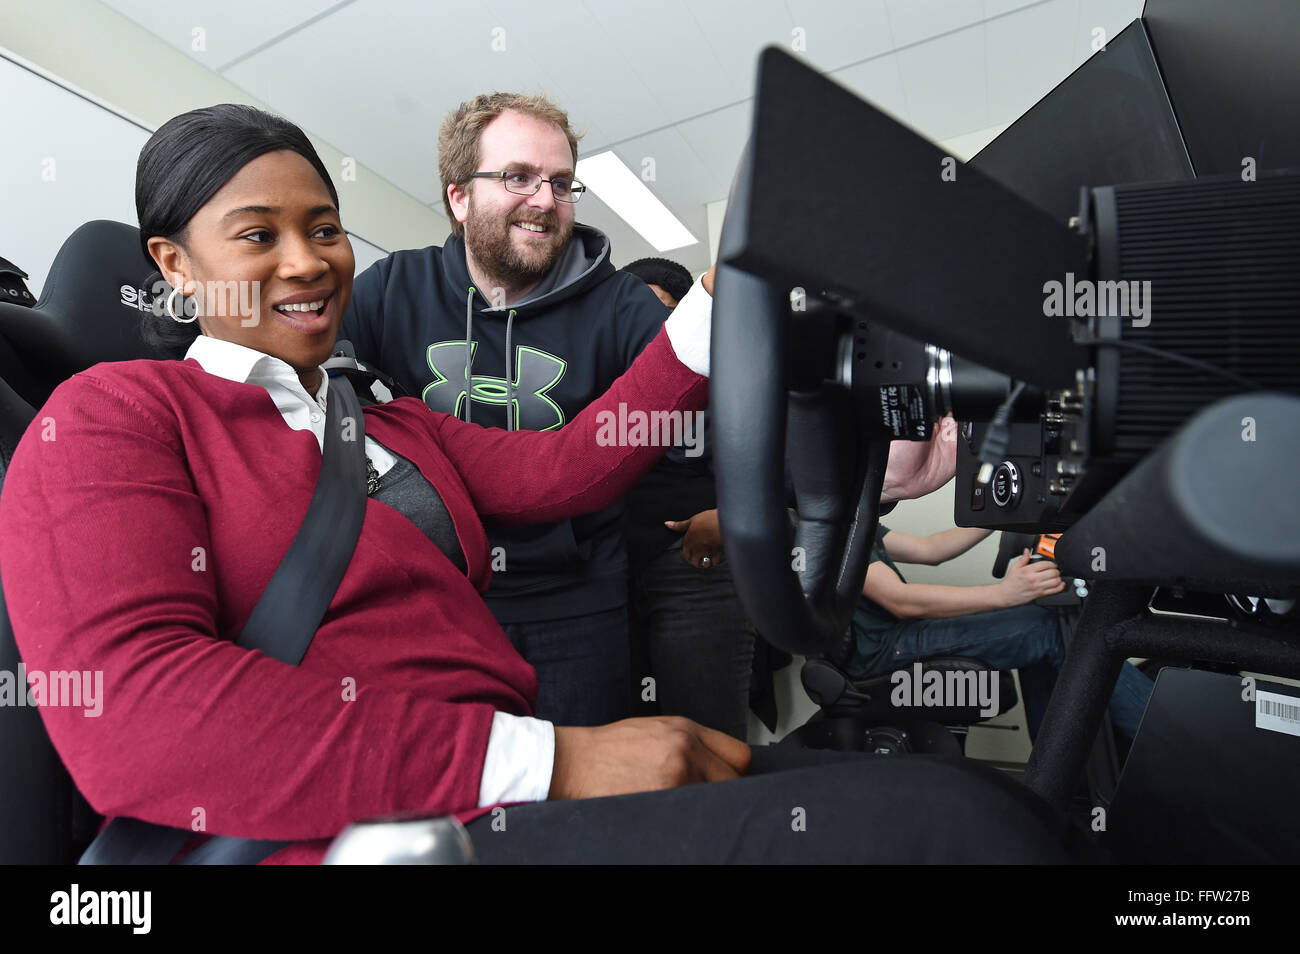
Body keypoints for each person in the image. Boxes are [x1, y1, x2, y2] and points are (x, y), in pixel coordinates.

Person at [0, 104, 1072, 864]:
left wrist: (716, 298)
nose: (308, 261)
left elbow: (572, 463)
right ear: (174, 266)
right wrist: (547, 761)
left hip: (487, 792)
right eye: (257, 236)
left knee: (986, 803)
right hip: (349, 833)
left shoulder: (385, 416)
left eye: (323, 228)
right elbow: (136, 719)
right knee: (952, 837)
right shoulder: (112, 417)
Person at [339, 93, 670, 727]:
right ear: (458, 196)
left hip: (575, 607)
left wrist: (859, 474)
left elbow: (716, 406)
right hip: (432, 601)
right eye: (518, 177)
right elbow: (301, 387)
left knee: (584, 808)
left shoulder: (625, 307)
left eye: (562, 183)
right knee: (452, 801)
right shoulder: (391, 290)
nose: (546, 201)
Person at [848, 520, 1154, 740]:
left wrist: (1005, 510)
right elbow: (900, 601)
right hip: (882, 650)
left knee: (1039, 626)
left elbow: (930, 549)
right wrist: (1003, 594)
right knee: (1046, 630)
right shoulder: (839, 529)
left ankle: (1059, 776)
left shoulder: (859, 520)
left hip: (898, 636)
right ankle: (1171, 739)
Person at [621, 256, 758, 740]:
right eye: (632, 311)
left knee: (708, 741)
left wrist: (732, 515)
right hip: (604, 574)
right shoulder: (603, 368)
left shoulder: (716, 368)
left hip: (690, 569)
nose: (646, 330)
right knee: (624, 747)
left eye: (661, 314)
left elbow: (768, 451)